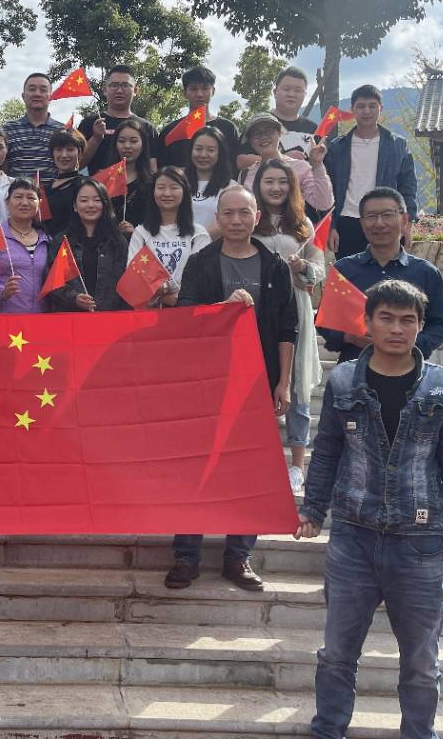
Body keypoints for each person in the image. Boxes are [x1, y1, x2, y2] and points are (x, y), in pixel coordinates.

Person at [296, 279, 443, 739]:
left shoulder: (442, 386)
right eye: (387, 318)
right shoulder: (343, 381)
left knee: (421, 662)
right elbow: (327, 451)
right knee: (337, 653)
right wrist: (312, 509)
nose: (397, 329)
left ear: (420, 326)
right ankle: (328, 730)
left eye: (407, 320)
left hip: (419, 543)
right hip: (353, 539)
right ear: (368, 323)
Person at [171, 185, 297, 593]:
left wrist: (284, 382)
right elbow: (185, 316)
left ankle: (238, 555)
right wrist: (221, 309)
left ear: (257, 217)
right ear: (218, 218)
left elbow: (288, 328)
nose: (237, 220)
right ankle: (186, 556)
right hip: (206, 383)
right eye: (229, 213)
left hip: (257, 383)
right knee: (195, 468)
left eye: (244, 213)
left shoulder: (274, 266)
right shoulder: (201, 262)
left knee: (249, 470)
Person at [251, 160, 324, 495]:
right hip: (260, 307)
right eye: (269, 181)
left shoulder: (303, 223)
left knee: (296, 382)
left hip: (297, 305)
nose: (276, 188)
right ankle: (260, 457)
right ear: (259, 185)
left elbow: (319, 268)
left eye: (282, 181)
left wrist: (304, 266)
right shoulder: (252, 220)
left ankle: (297, 465)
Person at [318, 187, 443, 364]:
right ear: (362, 223)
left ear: (404, 220)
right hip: (354, 367)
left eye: (388, 215)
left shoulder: (425, 272)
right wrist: (348, 337)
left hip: (408, 368)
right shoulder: (344, 270)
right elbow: (324, 321)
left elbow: (440, 323)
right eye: (371, 216)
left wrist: (410, 343)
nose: (379, 223)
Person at [325, 85, 418, 259]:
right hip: (347, 221)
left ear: (381, 108)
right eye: (360, 106)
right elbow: (328, 189)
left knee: (386, 271)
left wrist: (408, 222)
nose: (366, 111)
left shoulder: (397, 145)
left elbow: (408, 186)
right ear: (352, 110)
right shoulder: (337, 147)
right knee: (349, 273)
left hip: (385, 220)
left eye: (372, 106)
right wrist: (331, 226)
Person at [128, 166, 210, 307]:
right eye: (161, 187)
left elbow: (201, 278)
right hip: (148, 312)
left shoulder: (198, 234)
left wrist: (168, 292)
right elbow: (133, 276)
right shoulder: (141, 233)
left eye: (174, 187)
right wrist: (165, 296)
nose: (167, 193)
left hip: (186, 311)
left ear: (184, 192)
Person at [0, 177, 53, 314]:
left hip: (39, 320)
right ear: (7, 203)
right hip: (2, 320)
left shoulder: (47, 240)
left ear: (40, 204)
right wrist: (1, 293)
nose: (24, 202)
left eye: (31, 198)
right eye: (18, 197)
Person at [48, 178, 129, 313]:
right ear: (75, 206)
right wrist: (74, 298)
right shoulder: (61, 241)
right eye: (84, 200)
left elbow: (126, 284)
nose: (90, 205)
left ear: (105, 204)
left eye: (97, 200)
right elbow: (52, 281)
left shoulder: (117, 242)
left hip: (109, 317)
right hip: (71, 317)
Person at [238, 113, 334, 215]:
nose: (263, 136)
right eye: (256, 134)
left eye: (269, 131)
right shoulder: (245, 174)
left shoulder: (300, 167)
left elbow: (324, 204)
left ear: (280, 133)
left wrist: (317, 165)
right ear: (250, 141)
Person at [77, 65, 159, 175]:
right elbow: (77, 165)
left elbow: (153, 170)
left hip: (138, 186)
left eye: (125, 85)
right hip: (98, 185)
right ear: (105, 90)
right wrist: (96, 139)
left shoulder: (147, 128)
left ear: (135, 90)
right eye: (114, 85)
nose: (119, 91)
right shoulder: (90, 123)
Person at [159, 66, 240, 167]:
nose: (199, 94)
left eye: (205, 88)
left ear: (213, 91)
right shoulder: (170, 132)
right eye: (193, 89)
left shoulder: (228, 128)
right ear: (184, 93)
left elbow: (235, 166)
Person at [3, 73, 60, 182]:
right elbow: (2, 167)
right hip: (16, 192)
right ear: (23, 96)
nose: (37, 94)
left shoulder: (62, 130)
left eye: (43, 90)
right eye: (32, 89)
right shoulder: (8, 130)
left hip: (54, 192)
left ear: (50, 96)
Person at [185, 126, 239, 235]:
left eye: (210, 150)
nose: (203, 155)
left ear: (220, 153)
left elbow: (230, 220)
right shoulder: (179, 182)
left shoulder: (232, 188)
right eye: (198, 149)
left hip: (214, 243)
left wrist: (199, 239)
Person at [45, 127, 88, 235]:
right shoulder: (45, 189)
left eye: (70, 149)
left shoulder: (86, 186)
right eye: (59, 149)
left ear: (79, 152)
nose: (64, 155)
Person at [114, 116, 153, 234]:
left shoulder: (152, 182)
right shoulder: (105, 179)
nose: (127, 146)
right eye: (121, 141)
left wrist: (136, 232)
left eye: (134, 141)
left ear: (143, 146)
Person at [268, 66, 318, 153]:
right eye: (286, 89)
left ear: (305, 95)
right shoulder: (260, 123)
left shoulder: (313, 129)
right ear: (275, 92)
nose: (291, 94)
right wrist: (282, 158)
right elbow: (243, 158)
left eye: (298, 90)